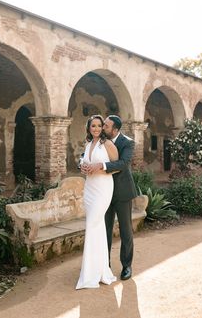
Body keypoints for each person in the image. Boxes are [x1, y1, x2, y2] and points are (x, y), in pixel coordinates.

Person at [85, 115, 137, 281]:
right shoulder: (98, 141)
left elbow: (123, 163)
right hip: (101, 192)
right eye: (101, 125)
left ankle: (126, 266)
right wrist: (83, 163)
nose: (101, 128)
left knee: (125, 230)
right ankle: (103, 265)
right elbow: (86, 154)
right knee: (104, 229)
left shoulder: (127, 142)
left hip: (121, 193)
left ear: (115, 129)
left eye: (105, 126)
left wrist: (101, 166)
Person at [76, 115, 119, 289]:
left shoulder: (107, 144)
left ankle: (90, 274)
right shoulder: (87, 145)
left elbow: (117, 167)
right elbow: (84, 162)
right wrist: (83, 166)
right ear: (88, 128)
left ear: (102, 128)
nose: (96, 128)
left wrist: (99, 168)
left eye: (99, 126)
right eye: (93, 126)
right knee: (97, 227)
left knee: (93, 224)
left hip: (103, 189)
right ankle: (100, 270)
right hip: (90, 189)